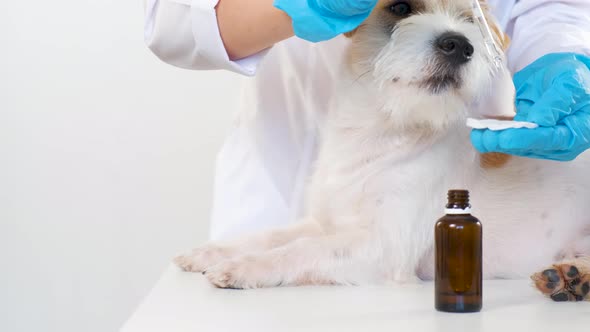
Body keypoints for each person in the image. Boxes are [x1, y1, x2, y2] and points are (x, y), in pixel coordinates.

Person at [144, 0, 590, 240]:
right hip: (283, 178)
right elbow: (173, 22)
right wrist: (294, 4)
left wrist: (561, 56)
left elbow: (550, 6)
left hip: (464, 193)